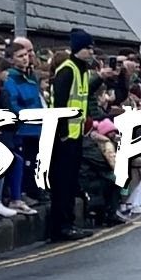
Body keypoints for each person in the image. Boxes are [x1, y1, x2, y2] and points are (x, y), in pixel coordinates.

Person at [49, 29, 95, 240]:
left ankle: (69, 224)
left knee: (70, 182)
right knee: (62, 183)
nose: (91, 51)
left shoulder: (82, 70)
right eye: (88, 48)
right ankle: (61, 227)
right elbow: (59, 104)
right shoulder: (67, 70)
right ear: (78, 49)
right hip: (64, 137)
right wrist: (64, 133)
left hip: (76, 135)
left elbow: (83, 97)